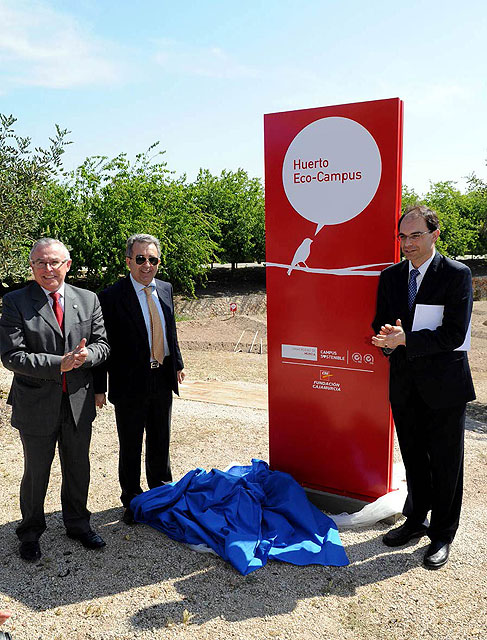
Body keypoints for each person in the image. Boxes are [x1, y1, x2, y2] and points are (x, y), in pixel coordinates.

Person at [372, 205, 475, 569]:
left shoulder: (457, 275)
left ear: (435, 234)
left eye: (415, 235)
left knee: (447, 463)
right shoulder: (391, 276)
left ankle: (443, 534)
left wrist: (405, 340)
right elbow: (380, 323)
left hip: (445, 387)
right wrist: (385, 339)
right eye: (402, 236)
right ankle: (415, 520)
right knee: (414, 458)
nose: (407, 243)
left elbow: (454, 333)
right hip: (404, 385)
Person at [0, 239, 110, 562]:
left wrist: (88, 355)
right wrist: (56, 364)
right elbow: (11, 356)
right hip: (35, 404)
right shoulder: (15, 301)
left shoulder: (88, 300)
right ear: (32, 267)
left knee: (78, 467)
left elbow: (104, 345)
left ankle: (77, 524)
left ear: (68, 264)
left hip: (78, 402)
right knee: (36, 473)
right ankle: (30, 532)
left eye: (54, 262)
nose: (48, 269)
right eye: (40, 263)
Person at [93, 234, 184, 525]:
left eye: (153, 259)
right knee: (130, 445)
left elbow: (170, 331)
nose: (147, 265)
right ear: (129, 261)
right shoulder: (109, 297)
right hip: (129, 384)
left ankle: (161, 494)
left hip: (161, 379)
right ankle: (132, 500)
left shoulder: (166, 289)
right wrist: (99, 388)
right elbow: (101, 344)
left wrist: (178, 364)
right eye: (141, 259)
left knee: (161, 440)